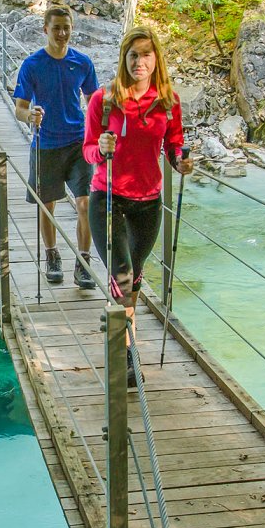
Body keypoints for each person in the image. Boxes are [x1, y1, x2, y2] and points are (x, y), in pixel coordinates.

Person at [82, 25, 194, 385]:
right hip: (108, 198)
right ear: (123, 58)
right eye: (133, 55)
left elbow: (174, 146)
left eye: (146, 54)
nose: (140, 61)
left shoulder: (168, 102)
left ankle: (124, 334)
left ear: (156, 58)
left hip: (148, 203)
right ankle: (128, 352)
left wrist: (181, 162)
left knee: (134, 279)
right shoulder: (105, 100)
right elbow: (87, 150)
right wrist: (101, 149)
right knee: (122, 274)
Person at [13, 4, 99, 288]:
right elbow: (20, 108)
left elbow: (94, 101)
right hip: (46, 143)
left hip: (78, 143)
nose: (62, 34)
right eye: (56, 28)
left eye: (67, 28)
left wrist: (100, 130)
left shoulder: (83, 63)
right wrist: (31, 116)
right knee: (46, 205)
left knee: (86, 203)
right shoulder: (33, 65)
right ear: (45, 30)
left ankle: (83, 261)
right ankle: (52, 256)